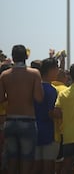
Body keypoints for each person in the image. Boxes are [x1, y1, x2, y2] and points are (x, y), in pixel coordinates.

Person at [0, 44, 44, 174]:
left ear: (13, 58)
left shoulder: (4, 75)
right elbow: (39, 98)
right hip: (28, 120)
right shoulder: (34, 73)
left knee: (12, 159)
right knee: (26, 159)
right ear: (26, 56)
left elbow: (1, 98)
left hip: (10, 120)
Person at [33, 58, 59, 174]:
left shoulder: (33, 87)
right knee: (48, 167)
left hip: (34, 130)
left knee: (36, 166)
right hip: (49, 131)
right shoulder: (51, 90)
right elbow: (51, 113)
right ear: (52, 70)